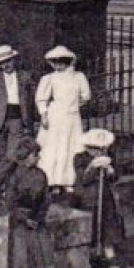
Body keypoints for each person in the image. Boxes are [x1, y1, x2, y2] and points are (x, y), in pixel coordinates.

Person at [72, 128, 127, 268]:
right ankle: (94, 264)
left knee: (108, 232)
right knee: (92, 232)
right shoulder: (79, 158)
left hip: (105, 199)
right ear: (88, 147)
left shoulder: (109, 157)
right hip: (88, 200)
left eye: (102, 149)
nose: (99, 152)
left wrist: (110, 170)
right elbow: (83, 179)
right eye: (95, 149)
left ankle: (113, 265)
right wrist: (92, 167)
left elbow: (115, 177)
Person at [35, 45, 90, 189]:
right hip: (55, 117)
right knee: (53, 147)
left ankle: (67, 181)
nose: (58, 64)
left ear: (68, 61)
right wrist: (44, 115)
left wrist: (73, 106)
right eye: (55, 61)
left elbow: (86, 96)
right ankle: (51, 180)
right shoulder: (49, 78)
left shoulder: (78, 77)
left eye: (62, 61)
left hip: (71, 118)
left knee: (70, 147)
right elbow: (41, 98)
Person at [0, 44, 38, 178]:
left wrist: (31, 120)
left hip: (17, 118)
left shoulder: (25, 76)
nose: (6, 65)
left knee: (12, 155)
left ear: (14, 60)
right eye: (2, 63)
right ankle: (3, 186)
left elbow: (34, 98)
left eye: (8, 61)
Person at [6, 138, 55, 268]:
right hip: (20, 221)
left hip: (37, 220)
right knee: (21, 254)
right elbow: (10, 202)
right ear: (26, 156)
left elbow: (46, 199)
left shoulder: (41, 175)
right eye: (35, 155)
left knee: (43, 253)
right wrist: (24, 218)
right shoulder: (14, 176)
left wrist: (39, 217)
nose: (38, 157)